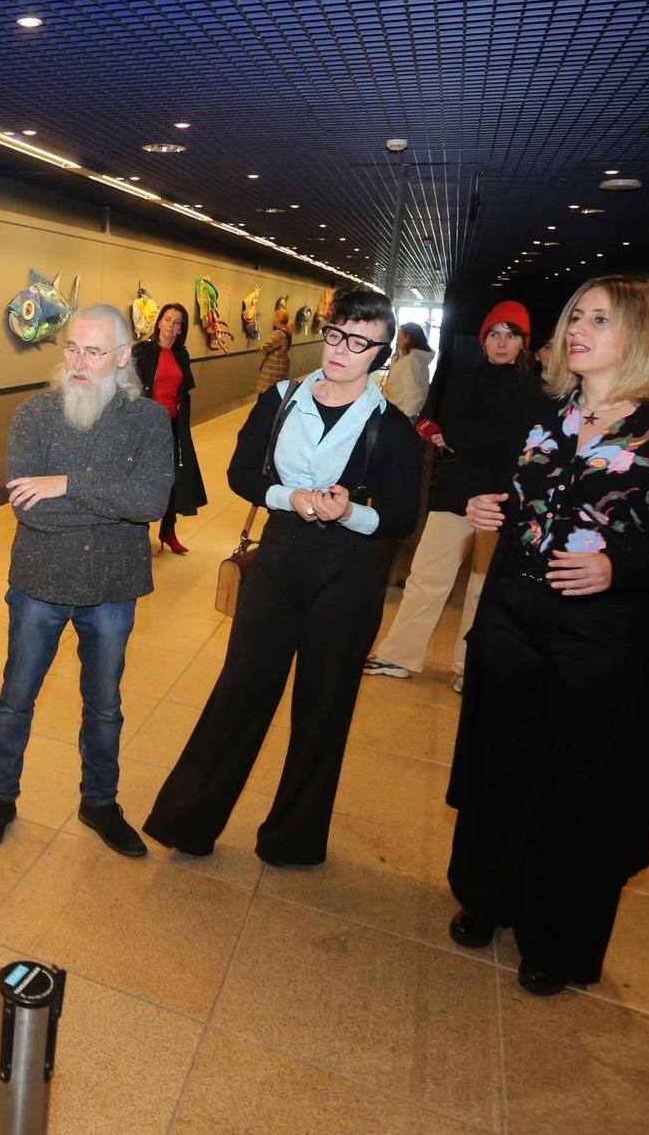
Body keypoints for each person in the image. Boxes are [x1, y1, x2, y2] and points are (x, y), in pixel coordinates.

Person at [446, 275, 649, 996]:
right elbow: (531, 500)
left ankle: (555, 935)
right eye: (576, 316)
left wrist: (617, 565)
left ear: (640, 334)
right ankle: (489, 897)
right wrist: (494, 507)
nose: (577, 329)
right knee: (501, 763)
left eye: (598, 318)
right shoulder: (550, 417)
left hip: (607, 637)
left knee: (579, 784)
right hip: (514, 615)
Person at [143, 287, 422, 865]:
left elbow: (400, 515)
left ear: (380, 354)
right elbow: (241, 472)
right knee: (241, 689)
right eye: (338, 333)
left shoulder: (390, 425)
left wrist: (351, 511)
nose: (343, 349)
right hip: (278, 558)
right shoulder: (282, 399)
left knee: (323, 707)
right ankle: (189, 819)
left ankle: (293, 838)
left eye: (360, 342)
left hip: (348, 574)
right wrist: (287, 494)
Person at [0, 304, 174, 857]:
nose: (80, 363)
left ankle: (100, 802)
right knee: (16, 697)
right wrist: (103, 497)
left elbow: (151, 502)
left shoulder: (149, 421)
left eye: (95, 352)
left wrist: (66, 482)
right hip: (39, 581)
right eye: (72, 349)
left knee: (104, 704)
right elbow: (29, 509)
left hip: (112, 586)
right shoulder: (34, 415)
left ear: (124, 357)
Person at [364, 302, 538, 689]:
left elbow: (515, 443)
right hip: (455, 492)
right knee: (427, 575)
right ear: (483, 339)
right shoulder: (463, 377)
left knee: (483, 588)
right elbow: (452, 427)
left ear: (523, 343)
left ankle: (468, 667)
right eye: (495, 334)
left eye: (511, 336)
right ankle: (398, 655)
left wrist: (462, 438)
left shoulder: (534, 389)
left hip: (501, 502)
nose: (502, 343)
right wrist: (469, 437)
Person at [132, 302, 207, 555]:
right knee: (143, 479)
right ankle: (139, 532)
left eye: (177, 323)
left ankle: (168, 529)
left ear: (180, 329)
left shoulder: (181, 355)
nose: (171, 326)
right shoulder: (143, 351)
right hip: (145, 428)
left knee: (174, 478)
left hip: (172, 426)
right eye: (167, 320)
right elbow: (131, 388)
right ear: (159, 322)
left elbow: (182, 393)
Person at [380, 321, 433, 418]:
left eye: (399, 335)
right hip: (394, 410)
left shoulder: (411, 360)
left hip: (399, 414)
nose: (397, 339)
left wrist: (405, 419)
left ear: (407, 338)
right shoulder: (409, 357)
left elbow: (414, 396)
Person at [256, 306, 293, 391]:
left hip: (273, 369)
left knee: (265, 394)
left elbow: (266, 347)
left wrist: (261, 346)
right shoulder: (287, 333)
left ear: (277, 319)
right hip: (281, 366)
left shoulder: (278, 333)